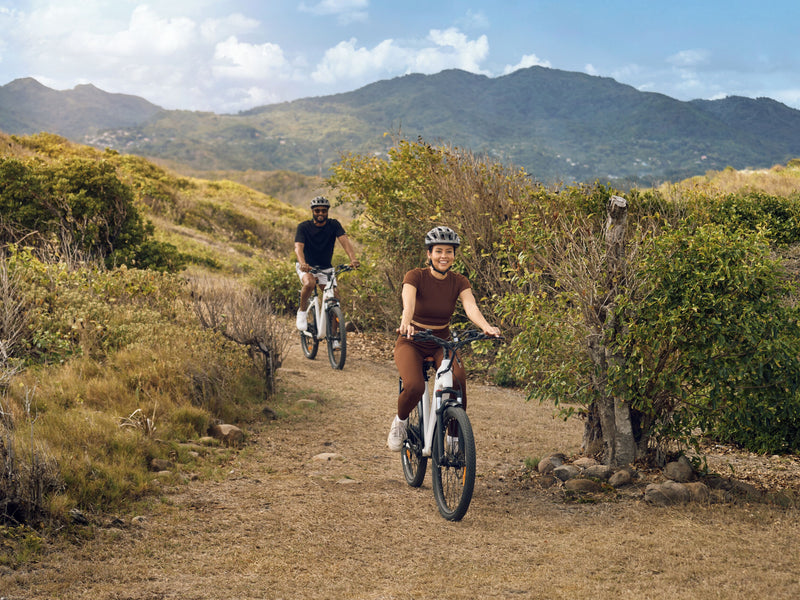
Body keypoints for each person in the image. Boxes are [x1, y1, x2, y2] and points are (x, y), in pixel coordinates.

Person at [387, 226, 501, 451]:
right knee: (414, 386)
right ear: (429, 254)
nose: (444, 256)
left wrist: (486, 326)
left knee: (457, 381)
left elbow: (471, 307)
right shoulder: (415, 276)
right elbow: (407, 303)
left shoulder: (459, 281)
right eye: (438, 251)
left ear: (454, 255)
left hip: (443, 341)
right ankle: (400, 422)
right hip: (412, 340)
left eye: (449, 251)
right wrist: (406, 322)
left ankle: (454, 437)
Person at [294, 196, 359, 330]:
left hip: (326, 269)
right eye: (317, 211)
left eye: (324, 211)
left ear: (327, 211)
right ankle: (302, 311)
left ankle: (334, 337)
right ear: (312, 211)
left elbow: (345, 241)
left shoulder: (334, 225)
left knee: (334, 299)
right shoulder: (303, 227)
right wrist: (302, 263)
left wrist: (353, 259)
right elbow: (298, 248)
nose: (321, 213)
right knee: (309, 283)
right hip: (308, 267)